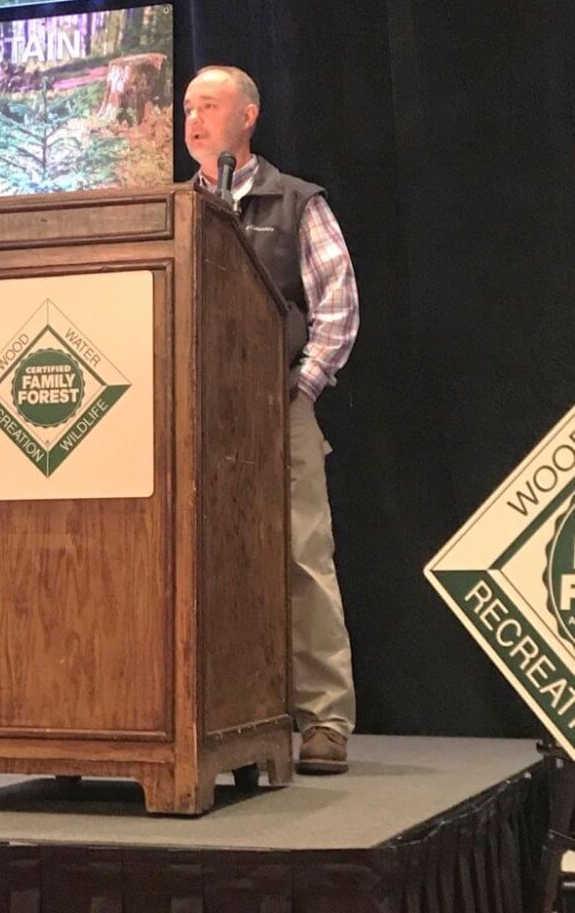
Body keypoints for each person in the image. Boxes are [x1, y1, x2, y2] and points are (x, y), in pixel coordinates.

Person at [183, 66, 360, 774]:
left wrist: (299, 389)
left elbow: (337, 307)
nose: (194, 117)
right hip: (192, 417)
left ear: (248, 116)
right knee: (199, 563)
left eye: (210, 104)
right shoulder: (175, 209)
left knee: (300, 559)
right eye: (188, 106)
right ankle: (220, 719)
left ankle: (324, 720)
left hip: (275, 408)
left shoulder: (295, 203)